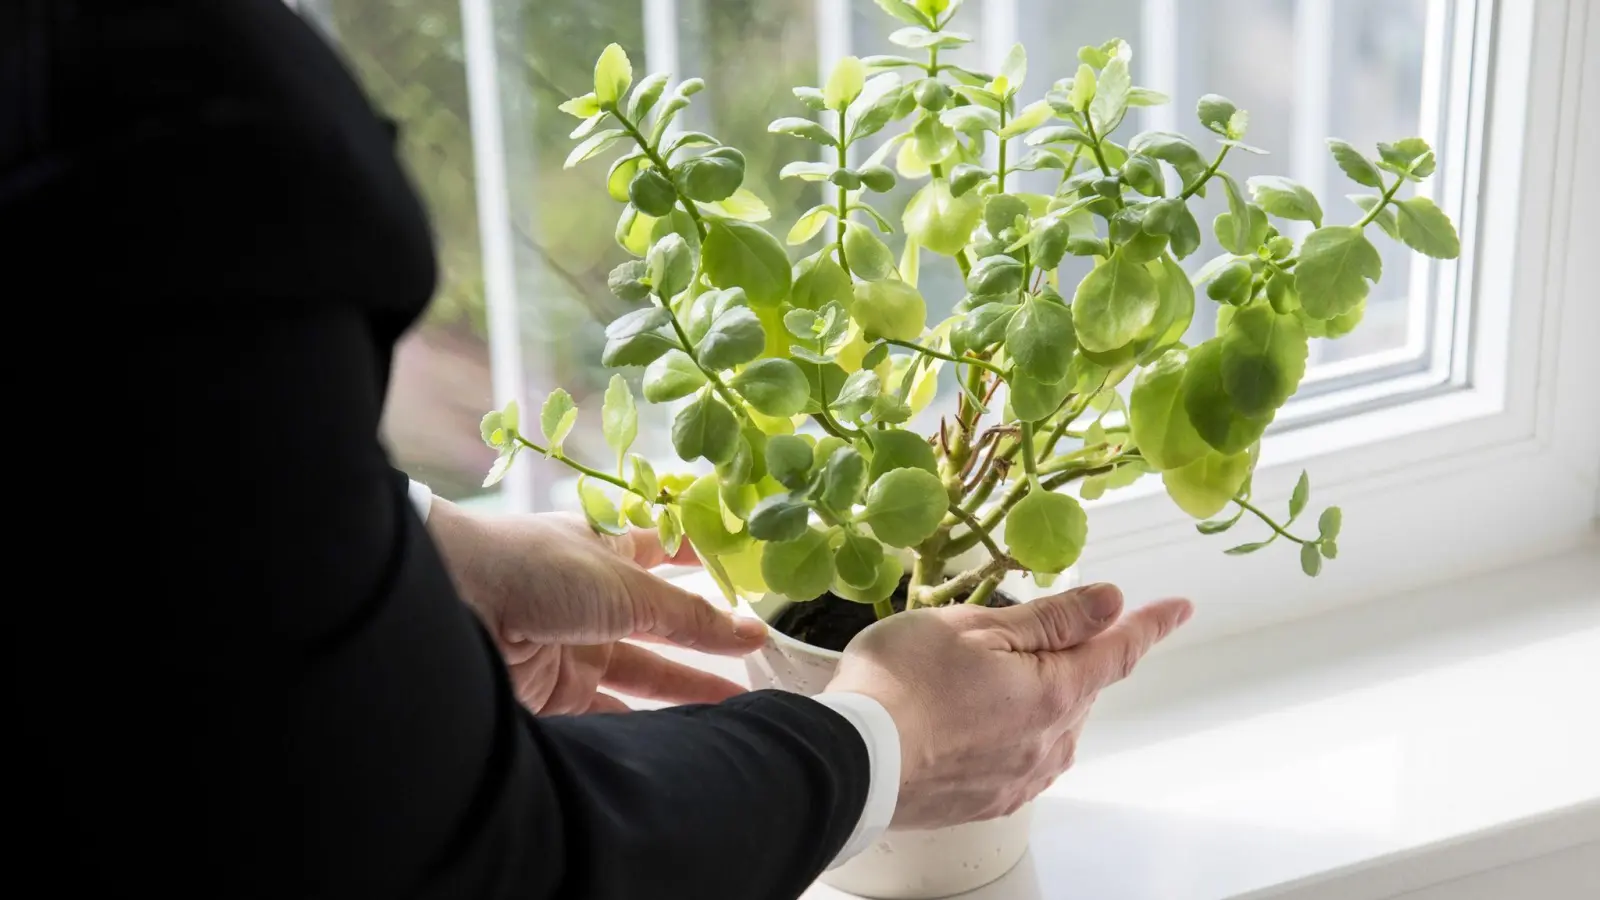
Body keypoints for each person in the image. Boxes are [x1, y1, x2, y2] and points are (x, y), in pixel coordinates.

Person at [6, 1, 1192, 897]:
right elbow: (472, 860)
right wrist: (883, 741)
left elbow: (122, 480)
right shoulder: (154, 128)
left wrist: (418, 551)